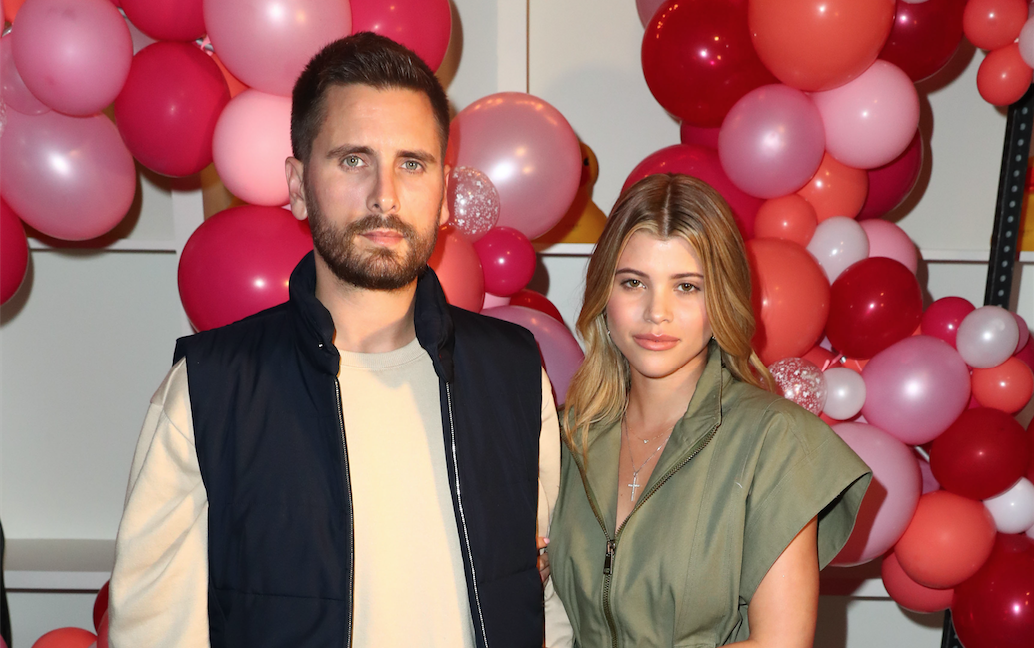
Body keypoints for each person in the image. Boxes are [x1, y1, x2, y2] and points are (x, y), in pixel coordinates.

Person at [109, 33, 568, 648]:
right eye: (353, 159)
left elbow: (555, 604)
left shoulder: (513, 372)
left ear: (444, 197)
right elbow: (153, 634)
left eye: (412, 163)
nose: (385, 195)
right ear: (297, 186)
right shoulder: (208, 390)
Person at [547, 174, 871, 647]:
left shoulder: (774, 440)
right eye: (634, 282)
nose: (657, 312)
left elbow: (781, 643)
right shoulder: (562, 435)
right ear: (604, 296)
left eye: (687, 287)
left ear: (721, 299)